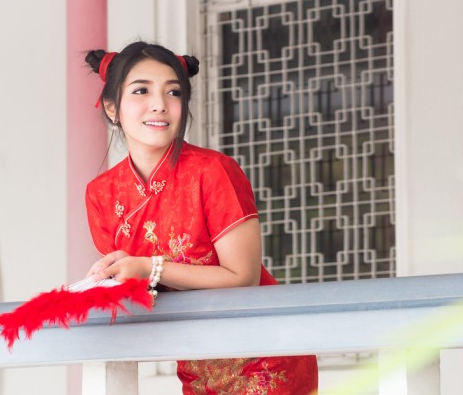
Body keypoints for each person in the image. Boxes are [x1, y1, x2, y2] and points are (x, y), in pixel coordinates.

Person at [84, 41, 318, 395]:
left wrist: (148, 267)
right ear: (112, 107)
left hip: (266, 353)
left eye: (173, 92)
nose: (160, 104)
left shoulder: (213, 171)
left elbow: (242, 277)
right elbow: (138, 289)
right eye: (142, 90)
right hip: (197, 358)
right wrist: (109, 280)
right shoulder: (101, 194)